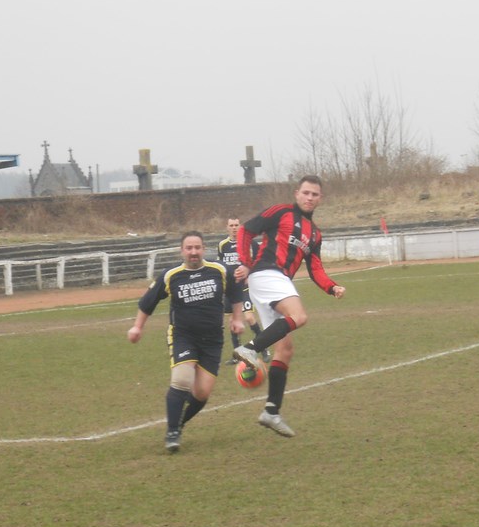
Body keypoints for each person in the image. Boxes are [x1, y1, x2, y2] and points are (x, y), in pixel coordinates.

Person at [232, 174, 346, 438]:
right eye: (306, 192)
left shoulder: (315, 234)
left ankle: (271, 412)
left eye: (314, 194)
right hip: (267, 273)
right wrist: (245, 262)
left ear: (320, 198)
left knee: (285, 349)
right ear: (297, 193)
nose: (309, 198)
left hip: (276, 281)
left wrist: (331, 287)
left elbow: (316, 268)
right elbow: (246, 230)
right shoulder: (281, 212)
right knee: (299, 315)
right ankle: (249, 349)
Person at [128, 232, 245, 453]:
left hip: (212, 341)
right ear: (182, 251)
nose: (193, 252)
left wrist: (237, 319)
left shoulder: (219, 270)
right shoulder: (171, 275)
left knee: (202, 393)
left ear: (204, 249)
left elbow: (236, 291)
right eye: (189, 248)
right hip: (183, 337)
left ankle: (178, 423)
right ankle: (172, 432)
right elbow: (147, 302)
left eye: (197, 247)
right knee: (182, 379)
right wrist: (137, 327)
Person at [217, 216, 269, 363]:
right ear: (227, 227)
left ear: (240, 226)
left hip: (245, 287)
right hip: (230, 289)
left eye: (236, 225)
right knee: (232, 321)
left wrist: (251, 274)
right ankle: (237, 356)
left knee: (249, 317)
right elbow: (220, 265)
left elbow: (260, 261)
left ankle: (264, 349)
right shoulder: (222, 245)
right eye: (231, 225)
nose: (234, 228)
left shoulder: (250, 243)